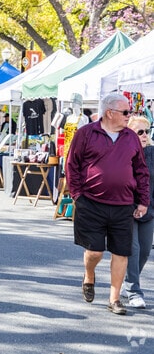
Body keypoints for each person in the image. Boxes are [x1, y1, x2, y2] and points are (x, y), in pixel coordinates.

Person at [67, 93, 149, 315]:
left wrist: (143, 200)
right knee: (94, 252)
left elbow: (141, 171)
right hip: (92, 203)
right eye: (125, 112)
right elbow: (72, 165)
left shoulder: (131, 137)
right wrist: (77, 195)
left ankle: (114, 299)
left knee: (121, 252)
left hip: (123, 204)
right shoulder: (86, 134)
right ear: (109, 112)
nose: (128, 116)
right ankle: (89, 275)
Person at [121, 116, 154, 308]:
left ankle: (128, 282)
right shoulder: (124, 152)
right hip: (126, 208)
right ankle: (134, 291)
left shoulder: (152, 152)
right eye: (139, 132)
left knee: (145, 251)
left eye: (146, 131)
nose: (144, 135)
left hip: (148, 207)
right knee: (133, 249)